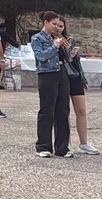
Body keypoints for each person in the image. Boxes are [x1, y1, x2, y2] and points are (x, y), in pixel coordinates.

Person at [32, 11, 72, 158]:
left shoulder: (58, 38)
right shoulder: (37, 38)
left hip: (61, 73)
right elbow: (41, 56)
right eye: (54, 24)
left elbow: (66, 59)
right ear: (46, 23)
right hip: (47, 74)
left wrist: (68, 50)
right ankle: (43, 146)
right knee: (46, 110)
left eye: (58, 24)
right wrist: (54, 46)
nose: (57, 27)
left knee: (62, 110)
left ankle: (62, 147)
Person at [58, 17, 98, 155]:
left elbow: (76, 61)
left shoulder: (70, 40)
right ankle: (65, 143)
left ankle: (84, 142)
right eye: (56, 25)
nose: (59, 28)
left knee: (81, 110)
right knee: (64, 111)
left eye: (61, 25)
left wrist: (83, 78)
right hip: (61, 76)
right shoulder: (51, 41)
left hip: (74, 76)